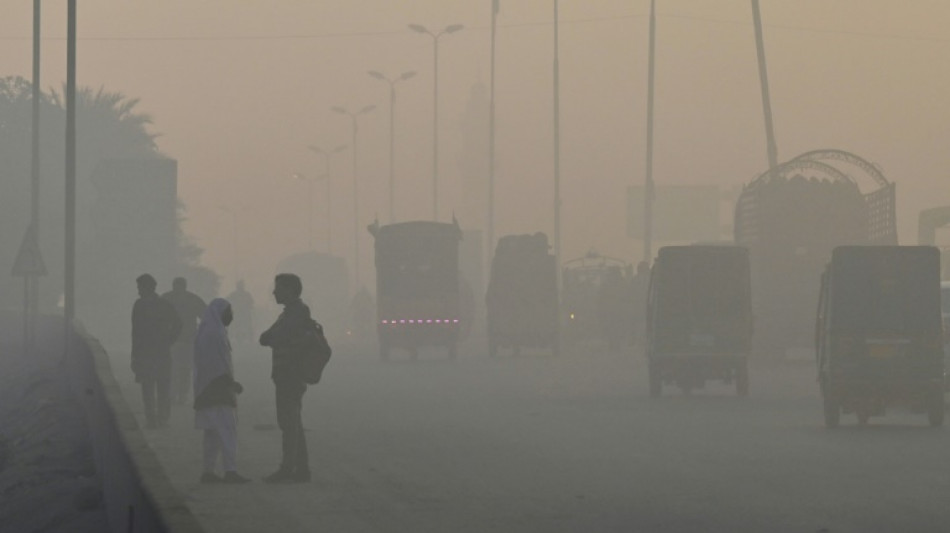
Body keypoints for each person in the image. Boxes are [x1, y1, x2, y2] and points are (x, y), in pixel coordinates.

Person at [259, 273, 312, 483]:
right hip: (287, 373)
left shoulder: (296, 313)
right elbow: (266, 338)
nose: (274, 292)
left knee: (289, 423)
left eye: (278, 288)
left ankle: (288, 469)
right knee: (294, 423)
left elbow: (272, 337)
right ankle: (301, 469)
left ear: (290, 289)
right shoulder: (291, 312)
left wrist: (273, 338)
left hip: (291, 373)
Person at [193, 298, 250, 484]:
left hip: (207, 387)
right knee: (227, 429)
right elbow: (218, 365)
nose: (231, 316)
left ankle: (208, 472)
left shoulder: (208, 332)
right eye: (228, 312)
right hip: (217, 387)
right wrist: (230, 383)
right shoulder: (215, 334)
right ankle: (230, 470)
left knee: (212, 431)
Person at [132, 274, 182, 429]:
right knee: (162, 386)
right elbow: (178, 324)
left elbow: (136, 332)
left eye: (140, 287)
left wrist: (135, 355)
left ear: (146, 288)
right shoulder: (164, 304)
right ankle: (162, 419)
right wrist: (169, 340)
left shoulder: (139, 305)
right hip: (161, 351)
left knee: (148, 388)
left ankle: (152, 420)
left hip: (146, 352)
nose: (139, 291)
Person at [162, 277, 207, 405]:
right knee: (184, 369)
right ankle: (181, 394)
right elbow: (206, 315)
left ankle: (173, 394)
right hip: (187, 340)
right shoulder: (193, 299)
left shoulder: (166, 298)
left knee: (173, 368)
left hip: (171, 340)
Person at [226, 280, 256, 348]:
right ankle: (231, 339)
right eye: (239, 285)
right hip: (238, 314)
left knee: (248, 327)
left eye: (241, 285)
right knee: (235, 327)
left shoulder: (244, 294)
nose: (240, 287)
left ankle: (250, 340)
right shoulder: (235, 294)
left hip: (243, 314)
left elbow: (251, 303)